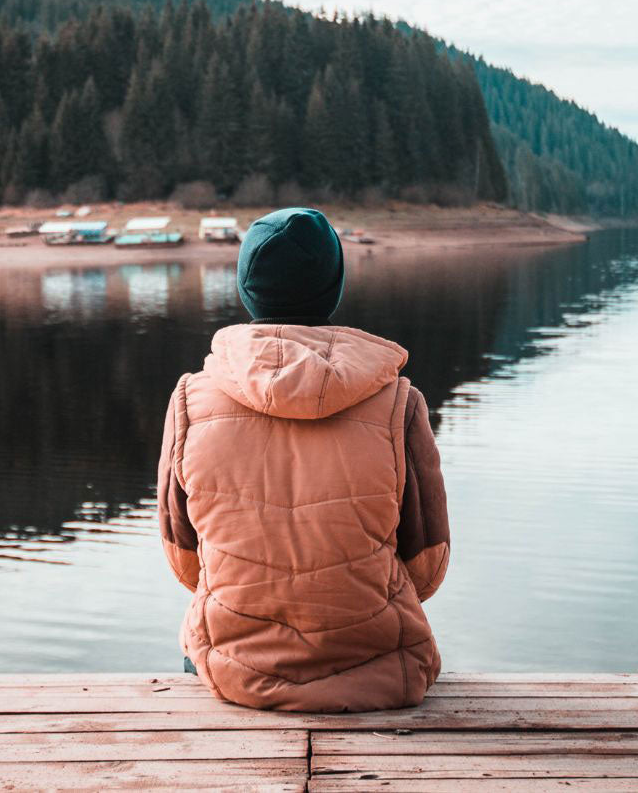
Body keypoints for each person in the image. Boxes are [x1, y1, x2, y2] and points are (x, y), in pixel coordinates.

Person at [156, 207, 450, 712]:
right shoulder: (401, 404)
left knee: (194, 641)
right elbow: (427, 566)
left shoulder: (189, 400)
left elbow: (183, 558)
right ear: (333, 288)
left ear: (247, 290)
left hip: (231, 668)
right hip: (383, 668)